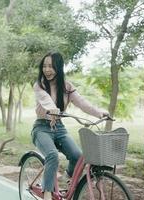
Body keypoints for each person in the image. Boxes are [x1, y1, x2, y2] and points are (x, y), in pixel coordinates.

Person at [31, 52, 108, 200]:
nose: (47, 70)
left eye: (51, 66)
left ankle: (67, 176)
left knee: (78, 156)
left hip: (59, 127)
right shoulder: (39, 85)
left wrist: (98, 113)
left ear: (58, 68)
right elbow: (45, 99)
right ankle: (47, 193)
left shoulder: (67, 86)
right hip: (41, 128)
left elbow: (81, 102)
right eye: (45, 66)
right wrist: (52, 109)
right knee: (52, 155)